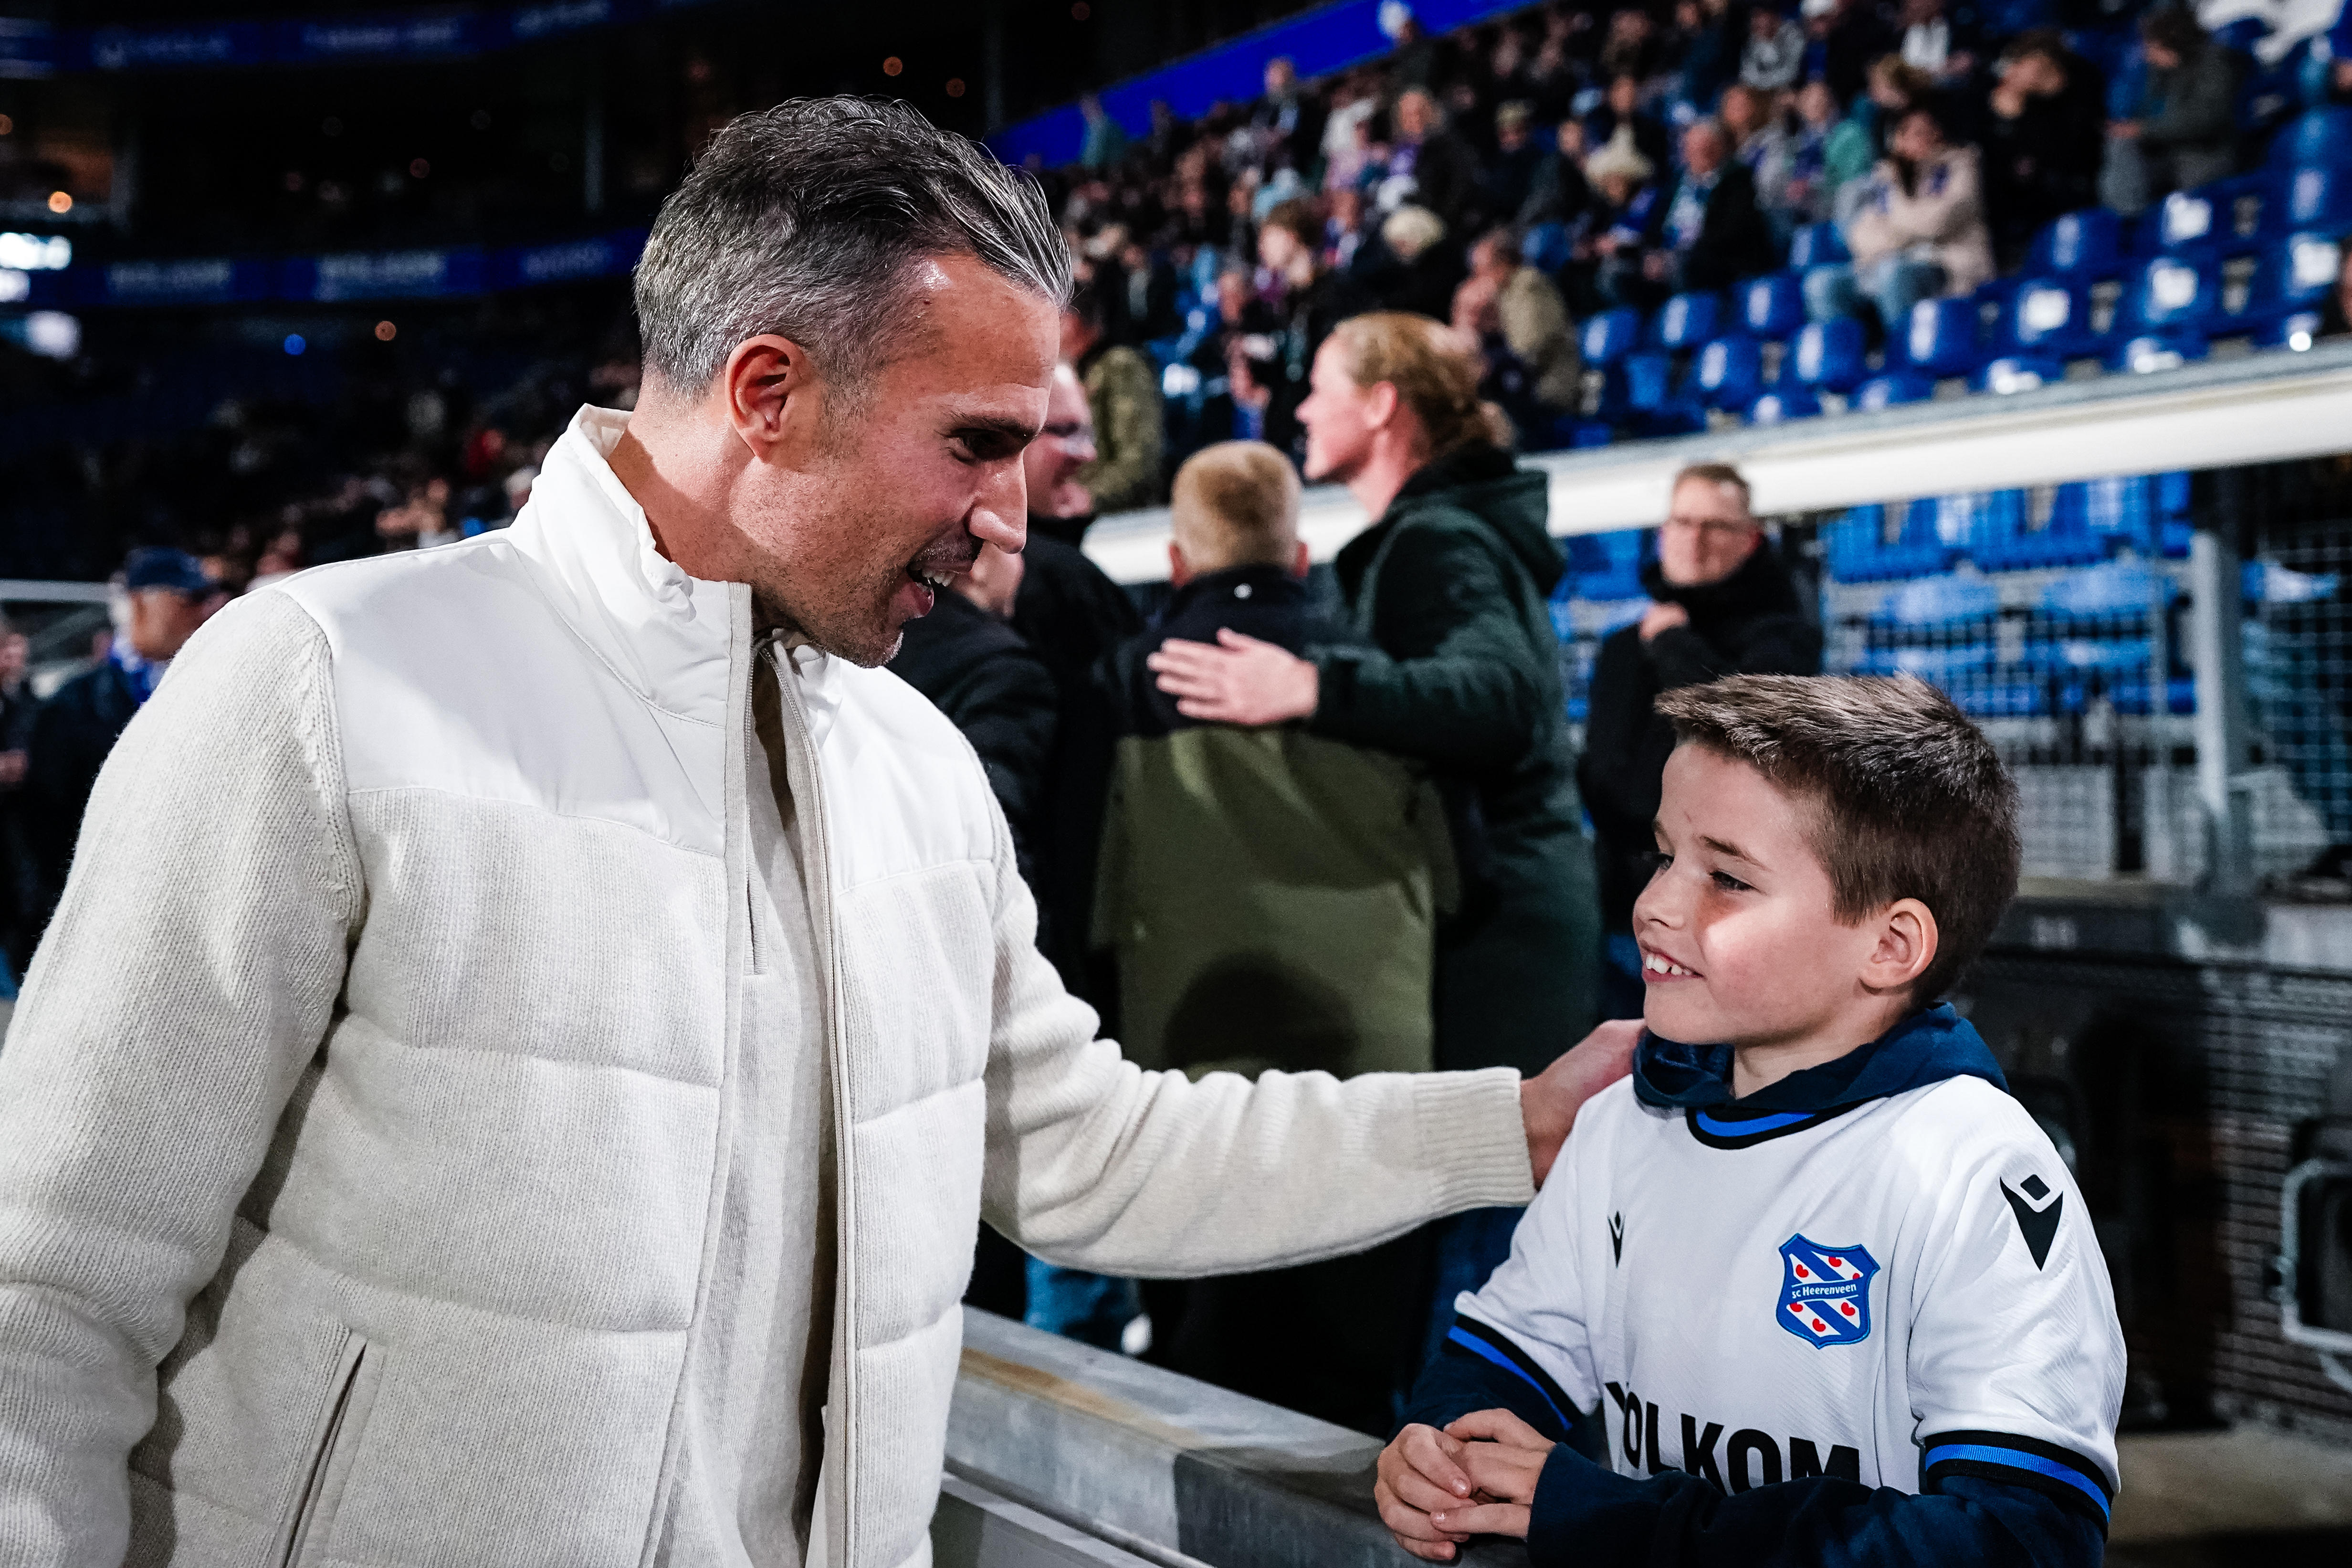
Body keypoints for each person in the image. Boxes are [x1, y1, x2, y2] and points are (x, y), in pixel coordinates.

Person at [0, 101, 1638, 1567]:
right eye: (978, 443)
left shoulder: (910, 762)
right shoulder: (324, 680)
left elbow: (1089, 1149)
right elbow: (46, 1283)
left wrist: (1512, 1126)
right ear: (767, 391)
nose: (1015, 510)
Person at [1376, 674, 2124, 1568]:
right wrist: (1439, 1454)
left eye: (1726, 878)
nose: (1654, 905)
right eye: (1663, 856)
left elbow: (2017, 1539)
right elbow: (1507, 1354)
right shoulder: (1624, 1124)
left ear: (1889, 947)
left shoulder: (1975, 1172)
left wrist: (1617, 1520)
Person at [1146, 312, 1603, 1365]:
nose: (1300, 406)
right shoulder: (1424, 537)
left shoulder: (1438, 539)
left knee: (1474, 1259)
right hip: (1489, 924)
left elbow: (1502, 697)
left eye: (1322, 385)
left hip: (1499, 942)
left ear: (1383, 404)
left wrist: (1312, 684)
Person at [1097, 441, 1454, 1431]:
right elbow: (1463, 873)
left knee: (1197, 1395)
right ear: (1301, 557)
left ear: (1176, 564)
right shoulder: (1378, 682)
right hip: (1377, 1088)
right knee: (1349, 1403)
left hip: (1188, 1088)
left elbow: (1085, 888)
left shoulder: (1126, 682)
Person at [1577, 464, 1822, 1022]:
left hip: (1716, 912)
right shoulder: (1622, 646)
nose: (1694, 539)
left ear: (1751, 539)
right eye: (1682, 522)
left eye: (1714, 525)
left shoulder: (1782, 638)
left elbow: (1734, 727)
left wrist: (1671, 643)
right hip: (1614, 900)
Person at [21, 547, 225, 950]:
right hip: (100, 915)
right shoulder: (72, 705)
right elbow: (47, 822)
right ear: (139, 604)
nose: (203, 613)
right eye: (187, 601)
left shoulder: (215, 685)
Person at [888, 542, 1054, 885]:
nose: (1023, 564)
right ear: (975, 564)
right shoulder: (1004, 672)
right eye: (1014, 548)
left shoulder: (880, 646)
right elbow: (993, 831)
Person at [1810, 103, 1993, 331]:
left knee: (1893, 273)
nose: (1919, 138)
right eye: (1908, 133)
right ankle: (1848, 358)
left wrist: (1893, 217)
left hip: (1945, 265)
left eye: (1926, 131)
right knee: (1822, 283)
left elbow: (1935, 224)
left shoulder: (1960, 166)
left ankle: (1903, 354)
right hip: (1889, 265)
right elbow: (1860, 237)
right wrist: (1906, 233)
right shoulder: (1887, 176)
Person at [1981, 31, 2107, 267]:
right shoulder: (2026, 100)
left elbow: (2075, 150)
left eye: (2019, 64)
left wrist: (2017, 119)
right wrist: (2009, 120)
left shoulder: (2085, 80)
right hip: (2036, 190)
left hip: (2083, 180)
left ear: (2040, 60)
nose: (2012, 73)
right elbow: (2011, 157)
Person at [2103, 6, 2243, 217]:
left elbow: (2205, 120)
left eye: (2152, 46)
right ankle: (2127, 220)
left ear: (2173, 41)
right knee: (2120, 145)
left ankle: (2133, 221)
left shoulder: (2214, 64)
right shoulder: (2163, 74)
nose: (2148, 55)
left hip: (2208, 152)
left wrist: (2145, 130)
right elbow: (2144, 112)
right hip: (2169, 155)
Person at [1452, 228, 1583, 443]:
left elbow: (1533, 346)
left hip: (1547, 384)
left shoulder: (1529, 285)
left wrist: (1494, 362)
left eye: (1483, 269)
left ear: (1503, 263)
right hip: (1527, 382)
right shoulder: (1506, 292)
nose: (1479, 277)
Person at [1641, 118, 1780, 295]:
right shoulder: (1677, 182)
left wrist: (1679, 254)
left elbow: (1731, 231)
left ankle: (1693, 318)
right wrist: (1653, 254)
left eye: (1705, 149)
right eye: (1692, 150)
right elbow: (1655, 225)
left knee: (1684, 265)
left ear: (1719, 149)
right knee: (1622, 275)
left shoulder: (1737, 177)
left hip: (1720, 260)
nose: (1698, 156)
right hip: (1675, 256)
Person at [1063, 277, 1165, 513]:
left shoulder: (1120, 367)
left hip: (1118, 523)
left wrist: (1088, 497)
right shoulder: (1074, 372)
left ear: (1073, 321)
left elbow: (1139, 463)